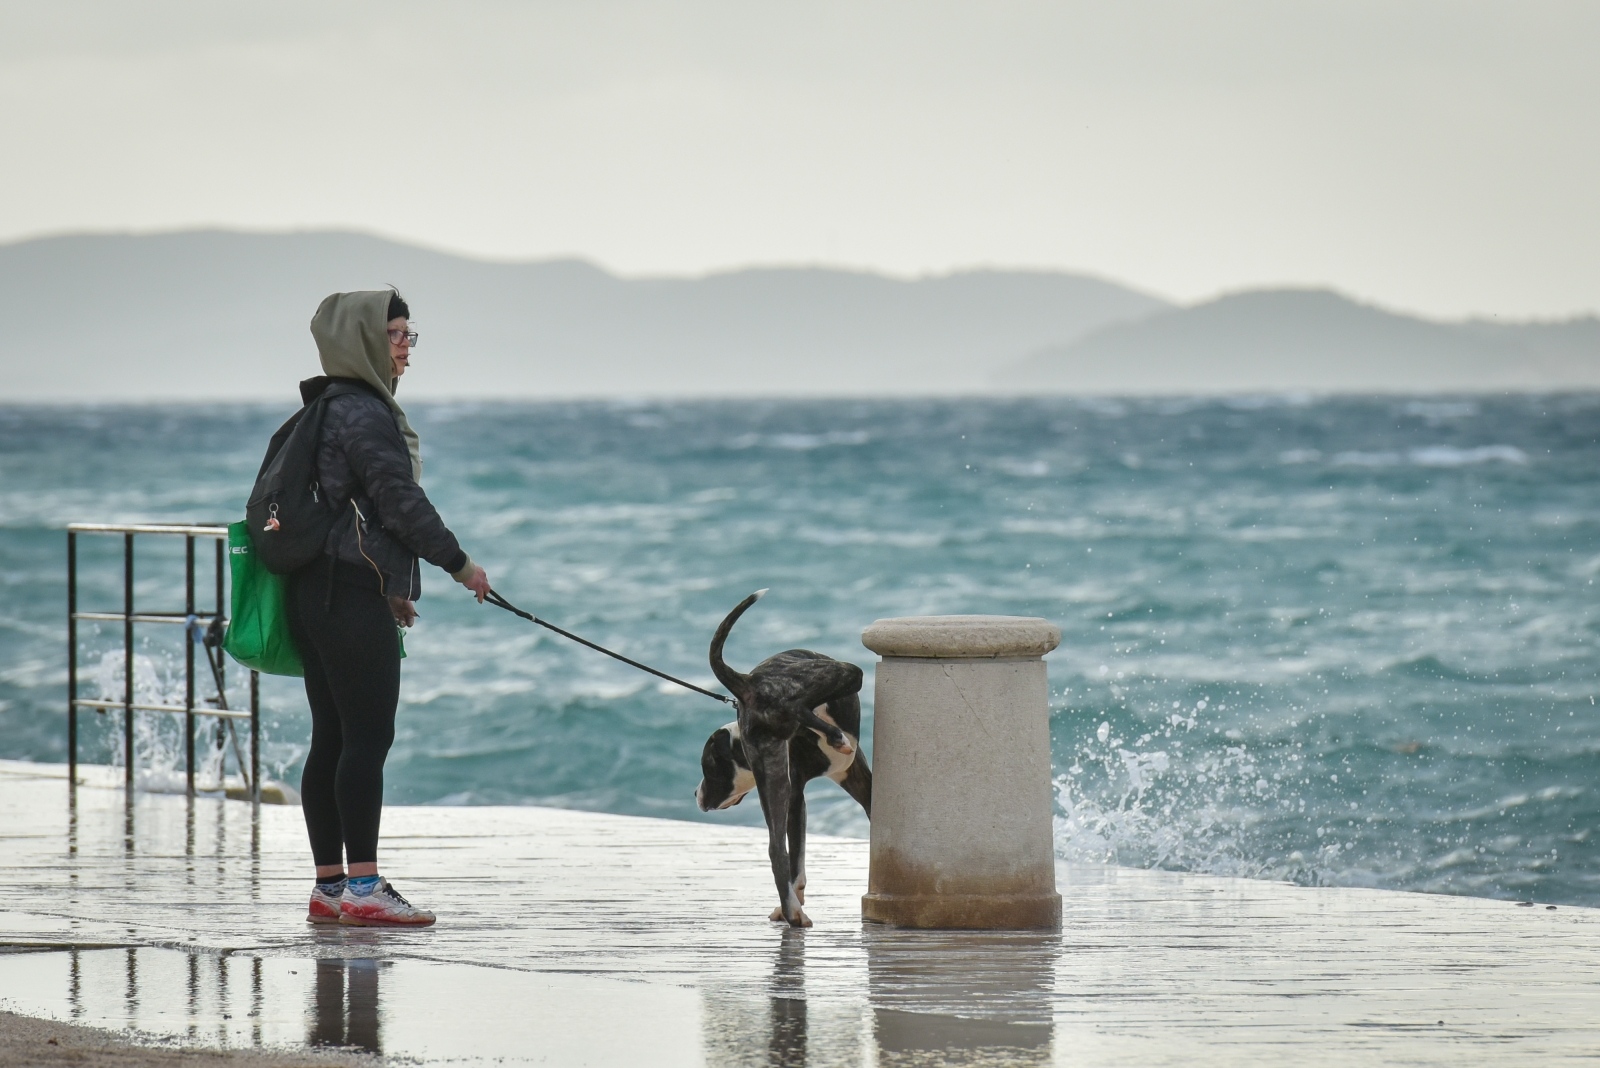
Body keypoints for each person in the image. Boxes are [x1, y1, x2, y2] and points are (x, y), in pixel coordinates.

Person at [288, 289, 490, 927]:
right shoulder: (366, 414)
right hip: (346, 596)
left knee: (335, 737)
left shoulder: (323, 407)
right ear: (366, 342)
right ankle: (366, 888)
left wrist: (393, 587)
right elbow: (399, 502)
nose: (406, 346)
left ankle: (332, 888)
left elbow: (352, 513)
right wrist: (459, 564)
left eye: (408, 334)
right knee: (368, 738)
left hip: (314, 591)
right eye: (396, 334)